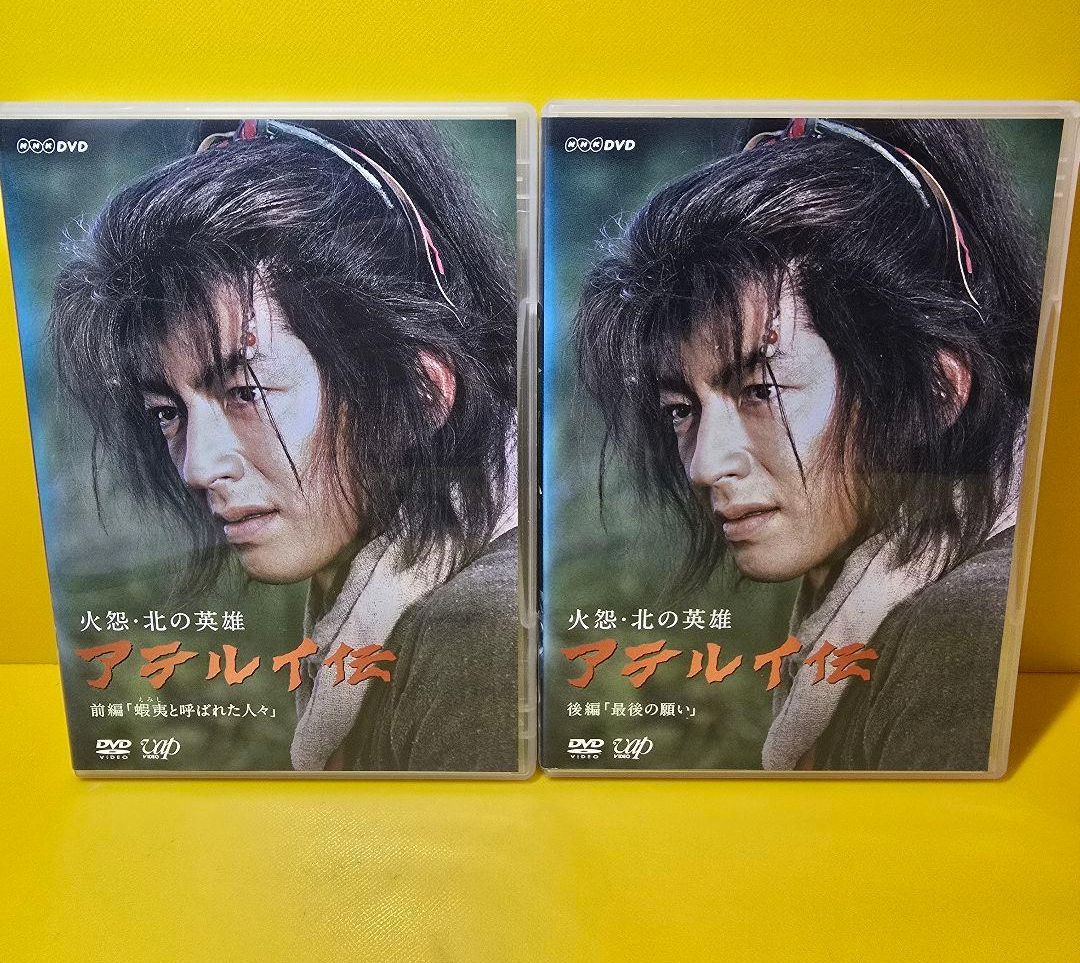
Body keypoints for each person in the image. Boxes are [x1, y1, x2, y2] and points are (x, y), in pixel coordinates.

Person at [50, 117, 521, 773]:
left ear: (420, 393)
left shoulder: (484, 624)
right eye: (168, 412)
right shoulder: (376, 606)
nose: (197, 466)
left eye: (246, 393)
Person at [573, 117, 1041, 771]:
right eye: (681, 410)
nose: (706, 465)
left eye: (761, 391)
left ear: (936, 391)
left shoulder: (967, 628)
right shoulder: (879, 604)